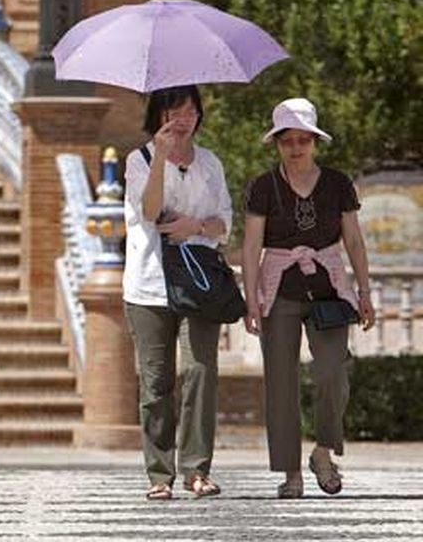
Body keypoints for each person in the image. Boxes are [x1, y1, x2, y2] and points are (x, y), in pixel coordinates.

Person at [241, 98, 375, 499]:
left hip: (330, 290)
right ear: (277, 144)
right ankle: (291, 473)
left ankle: (322, 451)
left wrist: (364, 291)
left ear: (315, 141)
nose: (296, 148)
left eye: (303, 140)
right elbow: (251, 247)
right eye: (288, 141)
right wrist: (252, 300)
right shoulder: (262, 187)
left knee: (333, 370)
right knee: (280, 383)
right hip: (279, 289)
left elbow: (353, 238)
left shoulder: (337, 184)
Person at [123, 85, 233, 500]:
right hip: (149, 284)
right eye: (174, 109)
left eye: (190, 109)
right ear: (158, 114)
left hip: (200, 284)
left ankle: (196, 469)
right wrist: (160, 159)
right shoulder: (139, 160)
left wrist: (196, 228)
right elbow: (149, 212)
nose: (183, 117)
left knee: (200, 370)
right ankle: (159, 473)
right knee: (156, 382)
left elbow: (224, 221)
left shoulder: (210, 163)